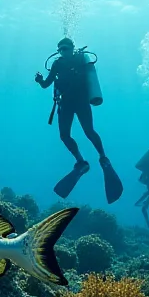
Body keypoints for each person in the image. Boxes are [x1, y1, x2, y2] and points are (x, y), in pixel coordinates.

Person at [36, 37, 123, 203]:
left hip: (81, 102)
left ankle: (103, 158)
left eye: (66, 48)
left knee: (89, 131)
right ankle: (81, 162)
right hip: (65, 104)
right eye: (60, 49)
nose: (63, 51)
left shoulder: (81, 59)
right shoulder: (57, 64)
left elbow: (88, 78)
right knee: (64, 136)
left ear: (72, 48)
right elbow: (46, 84)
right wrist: (40, 80)